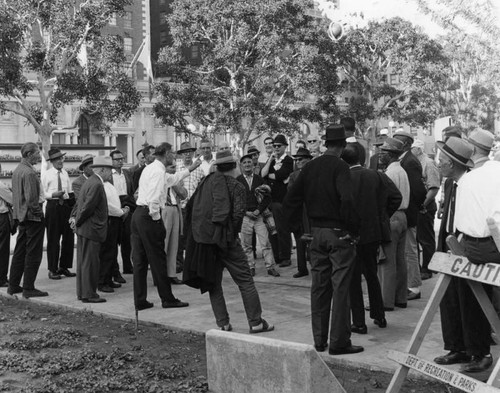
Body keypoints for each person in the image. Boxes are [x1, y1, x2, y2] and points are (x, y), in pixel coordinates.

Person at [284, 124, 363, 356]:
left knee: (319, 287)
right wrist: (353, 231)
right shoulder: (341, 166)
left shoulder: (310, 167)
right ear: (343, 145)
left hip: (315, 233)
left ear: (326, 143)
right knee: (340, 288)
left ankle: (319, 340)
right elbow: (347, 201)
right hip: (338, 232)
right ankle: (339, 341)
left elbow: (290, 201)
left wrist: (298, 231)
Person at [183, 150, 274, 333]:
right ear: (234, 166)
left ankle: (223, 323)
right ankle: (255, 322)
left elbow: (192, 208)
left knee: (214, 283)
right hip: (227, 241)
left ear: (217, 166)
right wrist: (228, 235)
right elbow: (237, 215)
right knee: (245, 280)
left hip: (207, 241)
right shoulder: (236, 186)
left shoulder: (206, 182)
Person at [342, 143, 402, 333]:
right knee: (372, 274)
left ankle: (358, 322)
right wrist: (381, 216)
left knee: (353, 279)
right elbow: (396, 197)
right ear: (361, 158)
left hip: (351, 234)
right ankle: (379, 314)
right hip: (372, 233)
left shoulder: (343, 178)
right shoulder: (376, 175)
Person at [433, 137, 482, 370]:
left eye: (441, 160)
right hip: (449, 247)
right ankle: (456, 348)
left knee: (470, 301)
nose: (438, 163)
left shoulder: (472, 184)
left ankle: (478, 353)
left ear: (452, 163)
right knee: (449, 300)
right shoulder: (451, 183)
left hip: (467, 250)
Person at [450, 147, 500, 373]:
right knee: (474, 295)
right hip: (486, 243)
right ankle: (478, 350)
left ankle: (479, 351)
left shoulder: (470, 179)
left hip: (474, 245)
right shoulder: (489, 174)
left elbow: (463, 221)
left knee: (471, 296)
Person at [132, 142, 189, 310]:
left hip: (138, 216)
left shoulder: (151, 169)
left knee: (140, 261)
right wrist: (156, 218)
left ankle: (140, 300)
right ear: (165, 154)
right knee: (158, 259)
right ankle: (167, 298)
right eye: (171, 153)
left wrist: (190, 169)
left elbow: (173, 179)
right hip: (149, 216)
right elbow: (154, 198)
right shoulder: (157, 171)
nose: (174, 156)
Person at [8, 142, 48, 298]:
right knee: (33, 253)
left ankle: (13, 285)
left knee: (19, 251)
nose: (39, 155)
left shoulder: (18, 170)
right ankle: (28, 287)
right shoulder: (29, 173)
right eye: (37, 153)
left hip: (21, 217)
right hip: (33, 217)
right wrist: (39, 214)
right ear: (28, 154)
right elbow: (32, 200)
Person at [74, 156, 113, 303]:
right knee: (90, 263)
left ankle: (83, 292)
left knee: (84, 262)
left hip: (86, 229)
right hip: (91, 229)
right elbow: (87, 207)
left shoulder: (90, 181)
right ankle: (89, 294)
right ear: (102, 170)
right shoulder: (97, 184)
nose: (110, 174)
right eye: (109, 170)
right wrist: (79, 222)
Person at [393, 130, 426, 301]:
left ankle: (414, 286)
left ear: (405, 144)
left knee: (410, 251)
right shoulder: (404, 160)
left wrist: (413, 207)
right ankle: (408, 284)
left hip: (408, 212)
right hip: (406, 211)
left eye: (396, 141)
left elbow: (418, 190)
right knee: (406, 251)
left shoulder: (410, 162)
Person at [377, 138, 410, 310]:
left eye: (383, 152)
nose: (380, 154)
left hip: (392, 216)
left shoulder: (389, 173)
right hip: (402, 216)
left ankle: (386, 301)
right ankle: (400, 297)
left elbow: (386, 199)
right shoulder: (401, 170)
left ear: (390, 154)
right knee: (399, 259)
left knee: (387, 261)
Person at [237, 152, 280, 277]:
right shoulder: (238, 181)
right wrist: (246, 212)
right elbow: (236, 200)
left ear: (253, 164)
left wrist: (258, 211)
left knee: (265, 243)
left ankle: (270, 267)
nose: (247, 164)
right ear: (241, 165)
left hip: (259, 216)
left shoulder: (259, 179)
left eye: (249, 162)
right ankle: (250, 267)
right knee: (246, 245)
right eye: (244, 162)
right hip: (245, 217)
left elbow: (267, 198)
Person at [162, 152, 201, 284]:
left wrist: (175, 183)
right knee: (164, 244)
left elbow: (184, 194)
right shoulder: (159, 177)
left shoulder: (176, 180)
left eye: (175, 167)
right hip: (164, 210)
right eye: (172, 168)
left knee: (175, 243)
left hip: (176, 209)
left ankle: (171, 273)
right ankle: (161, 275)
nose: (174, 170)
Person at [41, 148, 76, 280]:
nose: (60, 161)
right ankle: (52, 269)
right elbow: (42, 193)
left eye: (61, 158)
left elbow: (69, 190)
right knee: (53, 239)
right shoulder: (47, 174)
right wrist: (52, 195)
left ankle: (64, 266)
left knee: (68, 238)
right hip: (53, 206)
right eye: (57, 159)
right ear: (52, 161)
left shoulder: (65, 174)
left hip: (65, 206)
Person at [261, 134, 294, 267]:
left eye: (279, 146)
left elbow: (282, 175)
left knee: (282, 229)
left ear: (285, 146)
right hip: (271, 200)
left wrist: (271, 176)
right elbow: (263, 174)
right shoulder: (272, 160)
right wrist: (270, 160)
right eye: (274, 146)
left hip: (282, 200)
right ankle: (277, 256)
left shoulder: (288, 160)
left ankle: (285, 256)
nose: (276, 148)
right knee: (272, 230)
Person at [411, 139, 440, 280]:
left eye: (412, 149)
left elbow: (434, 187)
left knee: (426, 238)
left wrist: (424, 204)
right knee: (417, 238)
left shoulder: (428, 163)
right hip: (418, 207)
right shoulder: (415, 163)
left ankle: (428, 268)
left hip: (426, 207)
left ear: (418, 150)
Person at [175, 141, 205, 272]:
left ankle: (192, 262)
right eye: (184, 152)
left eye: (189, 152)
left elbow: (202, 187)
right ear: (180, 155)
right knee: (180, 237)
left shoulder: (199, 169)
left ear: (193, 153)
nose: (187, 154)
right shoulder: (176, 168)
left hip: (194, 208)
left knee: (193, 236)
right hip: (179, 207)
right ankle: (179, 263)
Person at [98, 177, 130, 293]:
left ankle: (109, 278)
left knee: (112, 252)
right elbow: (107, 206)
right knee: (106, 252)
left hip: (116, 220)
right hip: (110, 219)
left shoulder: (109, 185)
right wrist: (121, 212)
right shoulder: (100, 186)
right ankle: (102, 281)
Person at [288, 147, 313, 278]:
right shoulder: (294, 175)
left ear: (308, 160)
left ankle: (315, 264)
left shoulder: (316, 172)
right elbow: (291, 193)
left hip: (313, 210)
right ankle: (302, 268)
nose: (298, 162)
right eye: (296, 160)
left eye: (300, 159)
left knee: (314, 238)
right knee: (299, 240)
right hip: (299, 211)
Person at [110, 150, 135, 278]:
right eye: (117, 159)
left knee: (127, 239)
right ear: (111, 161)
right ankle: (115, 270)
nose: (120, 161)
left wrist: (128, 206)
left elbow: (131, 191)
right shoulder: (109, 175)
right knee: (114, 241)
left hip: (127, 205)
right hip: (114, 207)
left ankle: (127, 265)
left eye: (121, 158)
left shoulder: (127, 173)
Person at [0, 180, 14, 288]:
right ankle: (2, 279)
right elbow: (13, 200)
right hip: (2, 217)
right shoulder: (1, 185)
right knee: (3, 249)